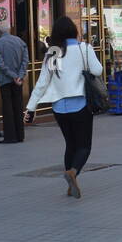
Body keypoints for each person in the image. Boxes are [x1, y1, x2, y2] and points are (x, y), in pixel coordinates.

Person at [24, 16, 103, 199]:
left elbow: (43, 82)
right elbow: (97, 70)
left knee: (70, 144)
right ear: (74, 31)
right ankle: (73, 172)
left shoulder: (54, 52)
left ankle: (70, 184)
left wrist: (31, 108)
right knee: (84, 146)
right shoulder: (84, 49)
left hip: (59, 107)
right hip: (81, 104)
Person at [0, 27, 28, 143]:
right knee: (18, 106)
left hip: (5, 79)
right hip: (18, 79)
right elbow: (25, 60)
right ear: (9, 29)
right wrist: (20, 75)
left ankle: (10, 136)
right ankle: (20, 135)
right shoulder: (20, 41)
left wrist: (12, 75)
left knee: (7, 107)